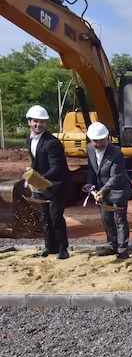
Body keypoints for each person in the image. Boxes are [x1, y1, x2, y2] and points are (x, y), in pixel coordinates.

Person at [25, 105, 70, 260]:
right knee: (45, 217)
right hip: (41, 184)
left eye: (42, 122)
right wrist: (32, 172)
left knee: (56, 217)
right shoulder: (29, 139)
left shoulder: (52, 143)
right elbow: (35, 161)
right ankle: (49, 247)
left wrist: (37, 177)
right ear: (29, 122)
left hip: (56, 186)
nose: (39, 124)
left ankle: (62, 249)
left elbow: (57, 168)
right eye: (36, 121)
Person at [83, 122, 132, 259]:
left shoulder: (116, 153)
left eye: (101, 140)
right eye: (95, 141)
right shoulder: (90, 149)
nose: (98, 144)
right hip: (102, 189)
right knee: (106, 219)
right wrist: (89, 183)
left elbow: (115, 176)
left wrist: (103, 191)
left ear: (107, 138)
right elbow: (92, 168)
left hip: (118, 190)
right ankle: (113, 245)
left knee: (120, 220)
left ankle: (123, 250)